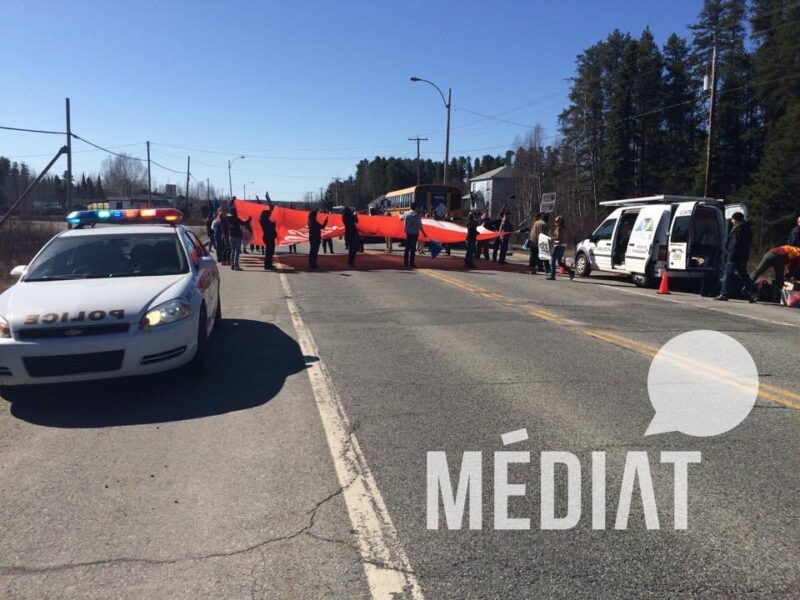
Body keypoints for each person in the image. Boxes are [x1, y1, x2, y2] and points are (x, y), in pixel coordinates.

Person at [716, 212, 758, 302]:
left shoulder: (738, 229)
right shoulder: (747, 228)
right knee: (743, 275)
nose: (732, 221)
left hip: (734, 256)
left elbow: (734, 244)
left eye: (733, 219)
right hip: (743, 256)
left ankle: (724, 294)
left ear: (737, 220)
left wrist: (730, 254)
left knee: (728, 275)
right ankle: (753, 292)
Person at [547, 215, 575, 280]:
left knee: (553, 261)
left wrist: (552, 238)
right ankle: (571, 272)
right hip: (563, 246)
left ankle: (552, 276)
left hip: (557, 246)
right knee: (559, 262)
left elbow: (558, 237)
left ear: (560, 222)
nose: (555, 222)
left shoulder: (558, 228)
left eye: (556, 221)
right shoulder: (564, 228)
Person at [401, 202, 427, 268]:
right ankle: (411, 263)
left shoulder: (406, 213)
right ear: (416, 208)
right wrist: (424, 233)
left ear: (410, 207)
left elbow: (401, 218)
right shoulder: (417, 215)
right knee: (412, 249)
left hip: (408, 233)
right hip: (414, 233)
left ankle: (406, 263)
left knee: (407, 248)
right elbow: (420, 226)